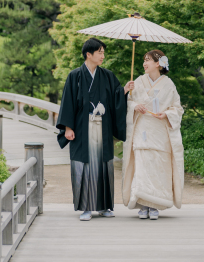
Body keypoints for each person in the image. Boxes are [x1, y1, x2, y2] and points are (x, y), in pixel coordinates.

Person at [56, 38, 130, 221]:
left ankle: (105, 206)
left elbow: (115, 99)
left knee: (103, 165)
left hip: (102, 128)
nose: (103, 55)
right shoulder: (75, 76)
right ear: (88, 54)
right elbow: (68, 103)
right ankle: (86, 207)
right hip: (82, 128)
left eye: (103, 52)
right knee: (84, 165)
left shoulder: (108, 76)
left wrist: (124, 91)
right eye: (100, 52)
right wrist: (68, 127)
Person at [122, 49, 184, 220]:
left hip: (160, 131)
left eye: (148, 60)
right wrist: (134, 105)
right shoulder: (138, 82)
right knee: (142, 167)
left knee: (159, 168)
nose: (144, 63)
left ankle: (155, 204)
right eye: (143, 60)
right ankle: (142, 204)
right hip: (142, 129)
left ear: (158, 63)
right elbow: (127, 102)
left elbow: (177, 108)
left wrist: (167, 114)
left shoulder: (169, 84)